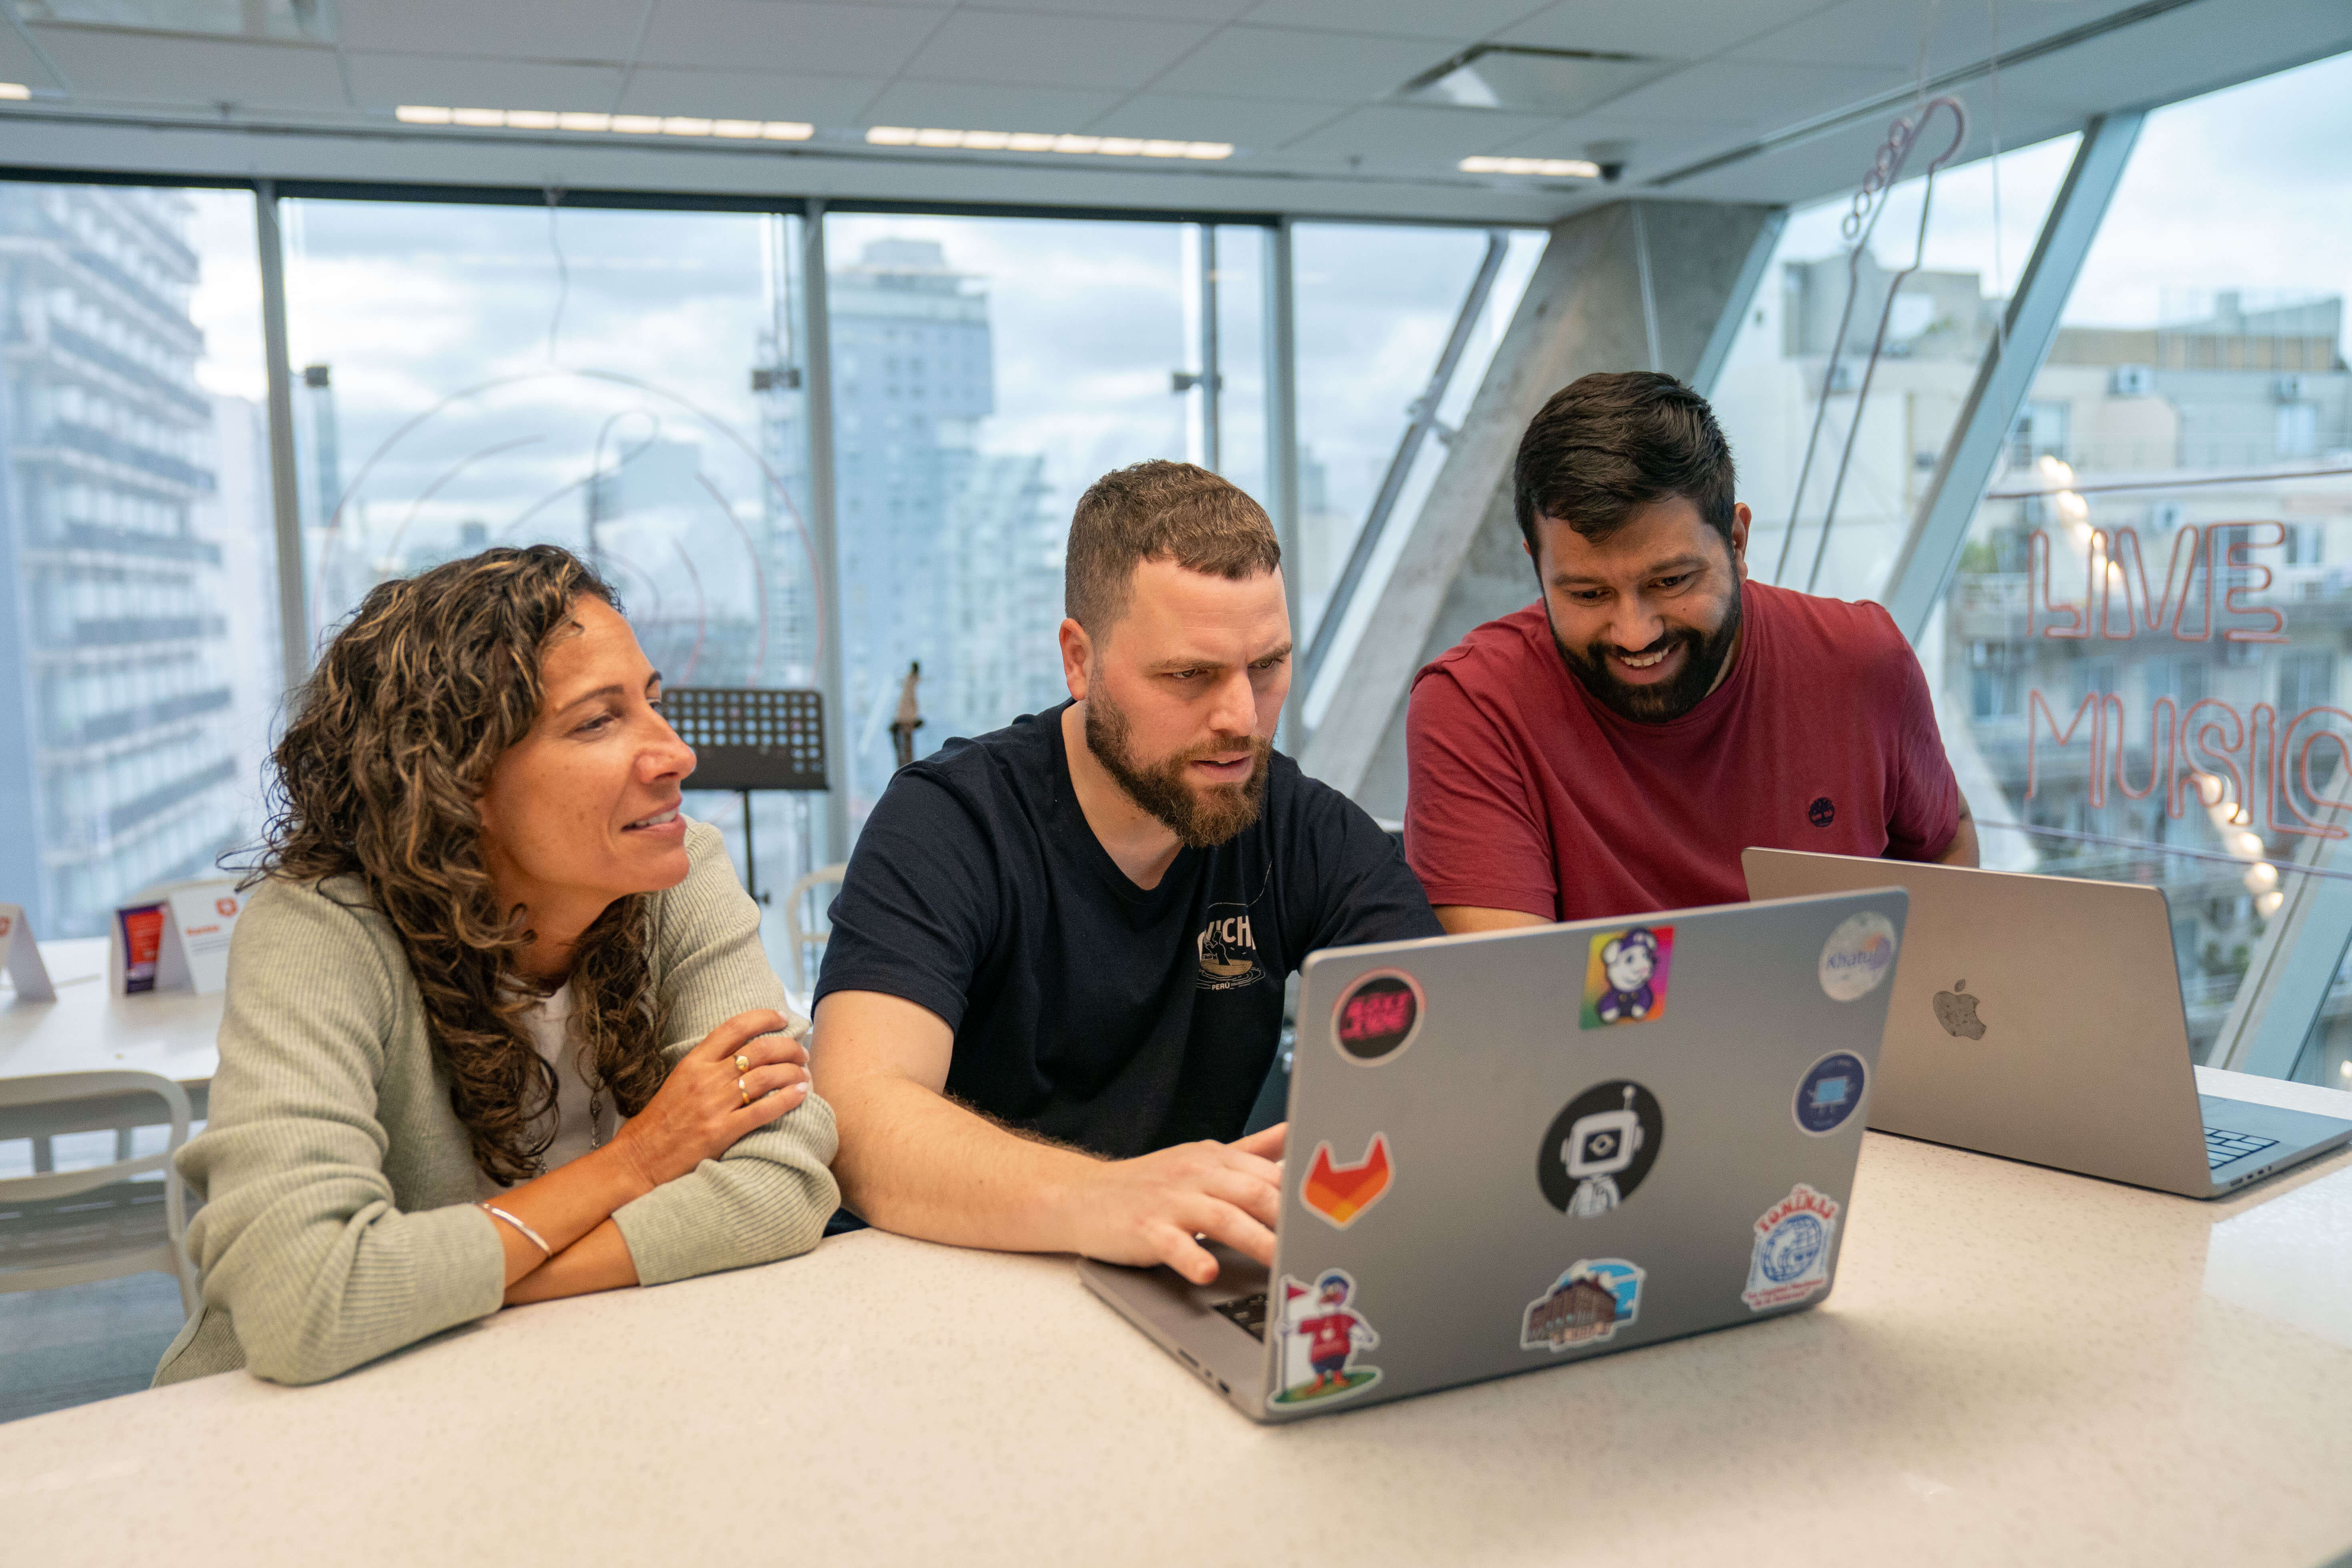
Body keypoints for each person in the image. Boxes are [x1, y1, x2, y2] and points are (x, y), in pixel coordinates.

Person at [156, 546, 838, 1386]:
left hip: (580, 1378)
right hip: (305, 1434)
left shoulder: (682, 872)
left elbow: (784, 1183)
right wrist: (638, 1163)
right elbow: (306, 1301)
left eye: (655, 704)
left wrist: (456, 1284)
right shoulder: (320, 930)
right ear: (451, 778)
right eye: (598, 721)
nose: (676, 755)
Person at [811, 461, 1439, 1285]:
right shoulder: (951, 824)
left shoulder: (1298, 826)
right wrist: (1103, 1197)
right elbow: (857, 1120)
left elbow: (1451, 1055)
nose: (1240, 721)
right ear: (1080, 661)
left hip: (1171, 1283)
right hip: (943, 1291)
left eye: (1266, 667)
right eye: (1189, 676)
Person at [1407, 371, 1977, 934]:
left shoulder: (1861, 663)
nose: (1634, 633)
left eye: (1671, 581)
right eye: (1588, 593)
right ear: (1537, 565)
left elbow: (1944, 842)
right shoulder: (1475, 706)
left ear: (1736, 541)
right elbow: (1515, 990)